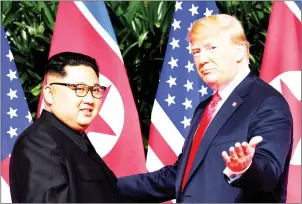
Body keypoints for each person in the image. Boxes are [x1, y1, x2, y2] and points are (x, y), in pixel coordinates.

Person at [117, 14, 293, 202]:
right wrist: (106, 186)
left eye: (211, 48)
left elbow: (269, 173)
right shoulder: (205, 108)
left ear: (239, 51)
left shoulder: (267, 102)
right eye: (196, 52)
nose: (202, 59)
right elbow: (180, 176)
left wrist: (245, 168)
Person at [9, 52, 120, 202]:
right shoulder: (39, 142)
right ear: (49, 94)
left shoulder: (74, 138)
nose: (89, 99)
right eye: (79, 89)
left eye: (95, 90)